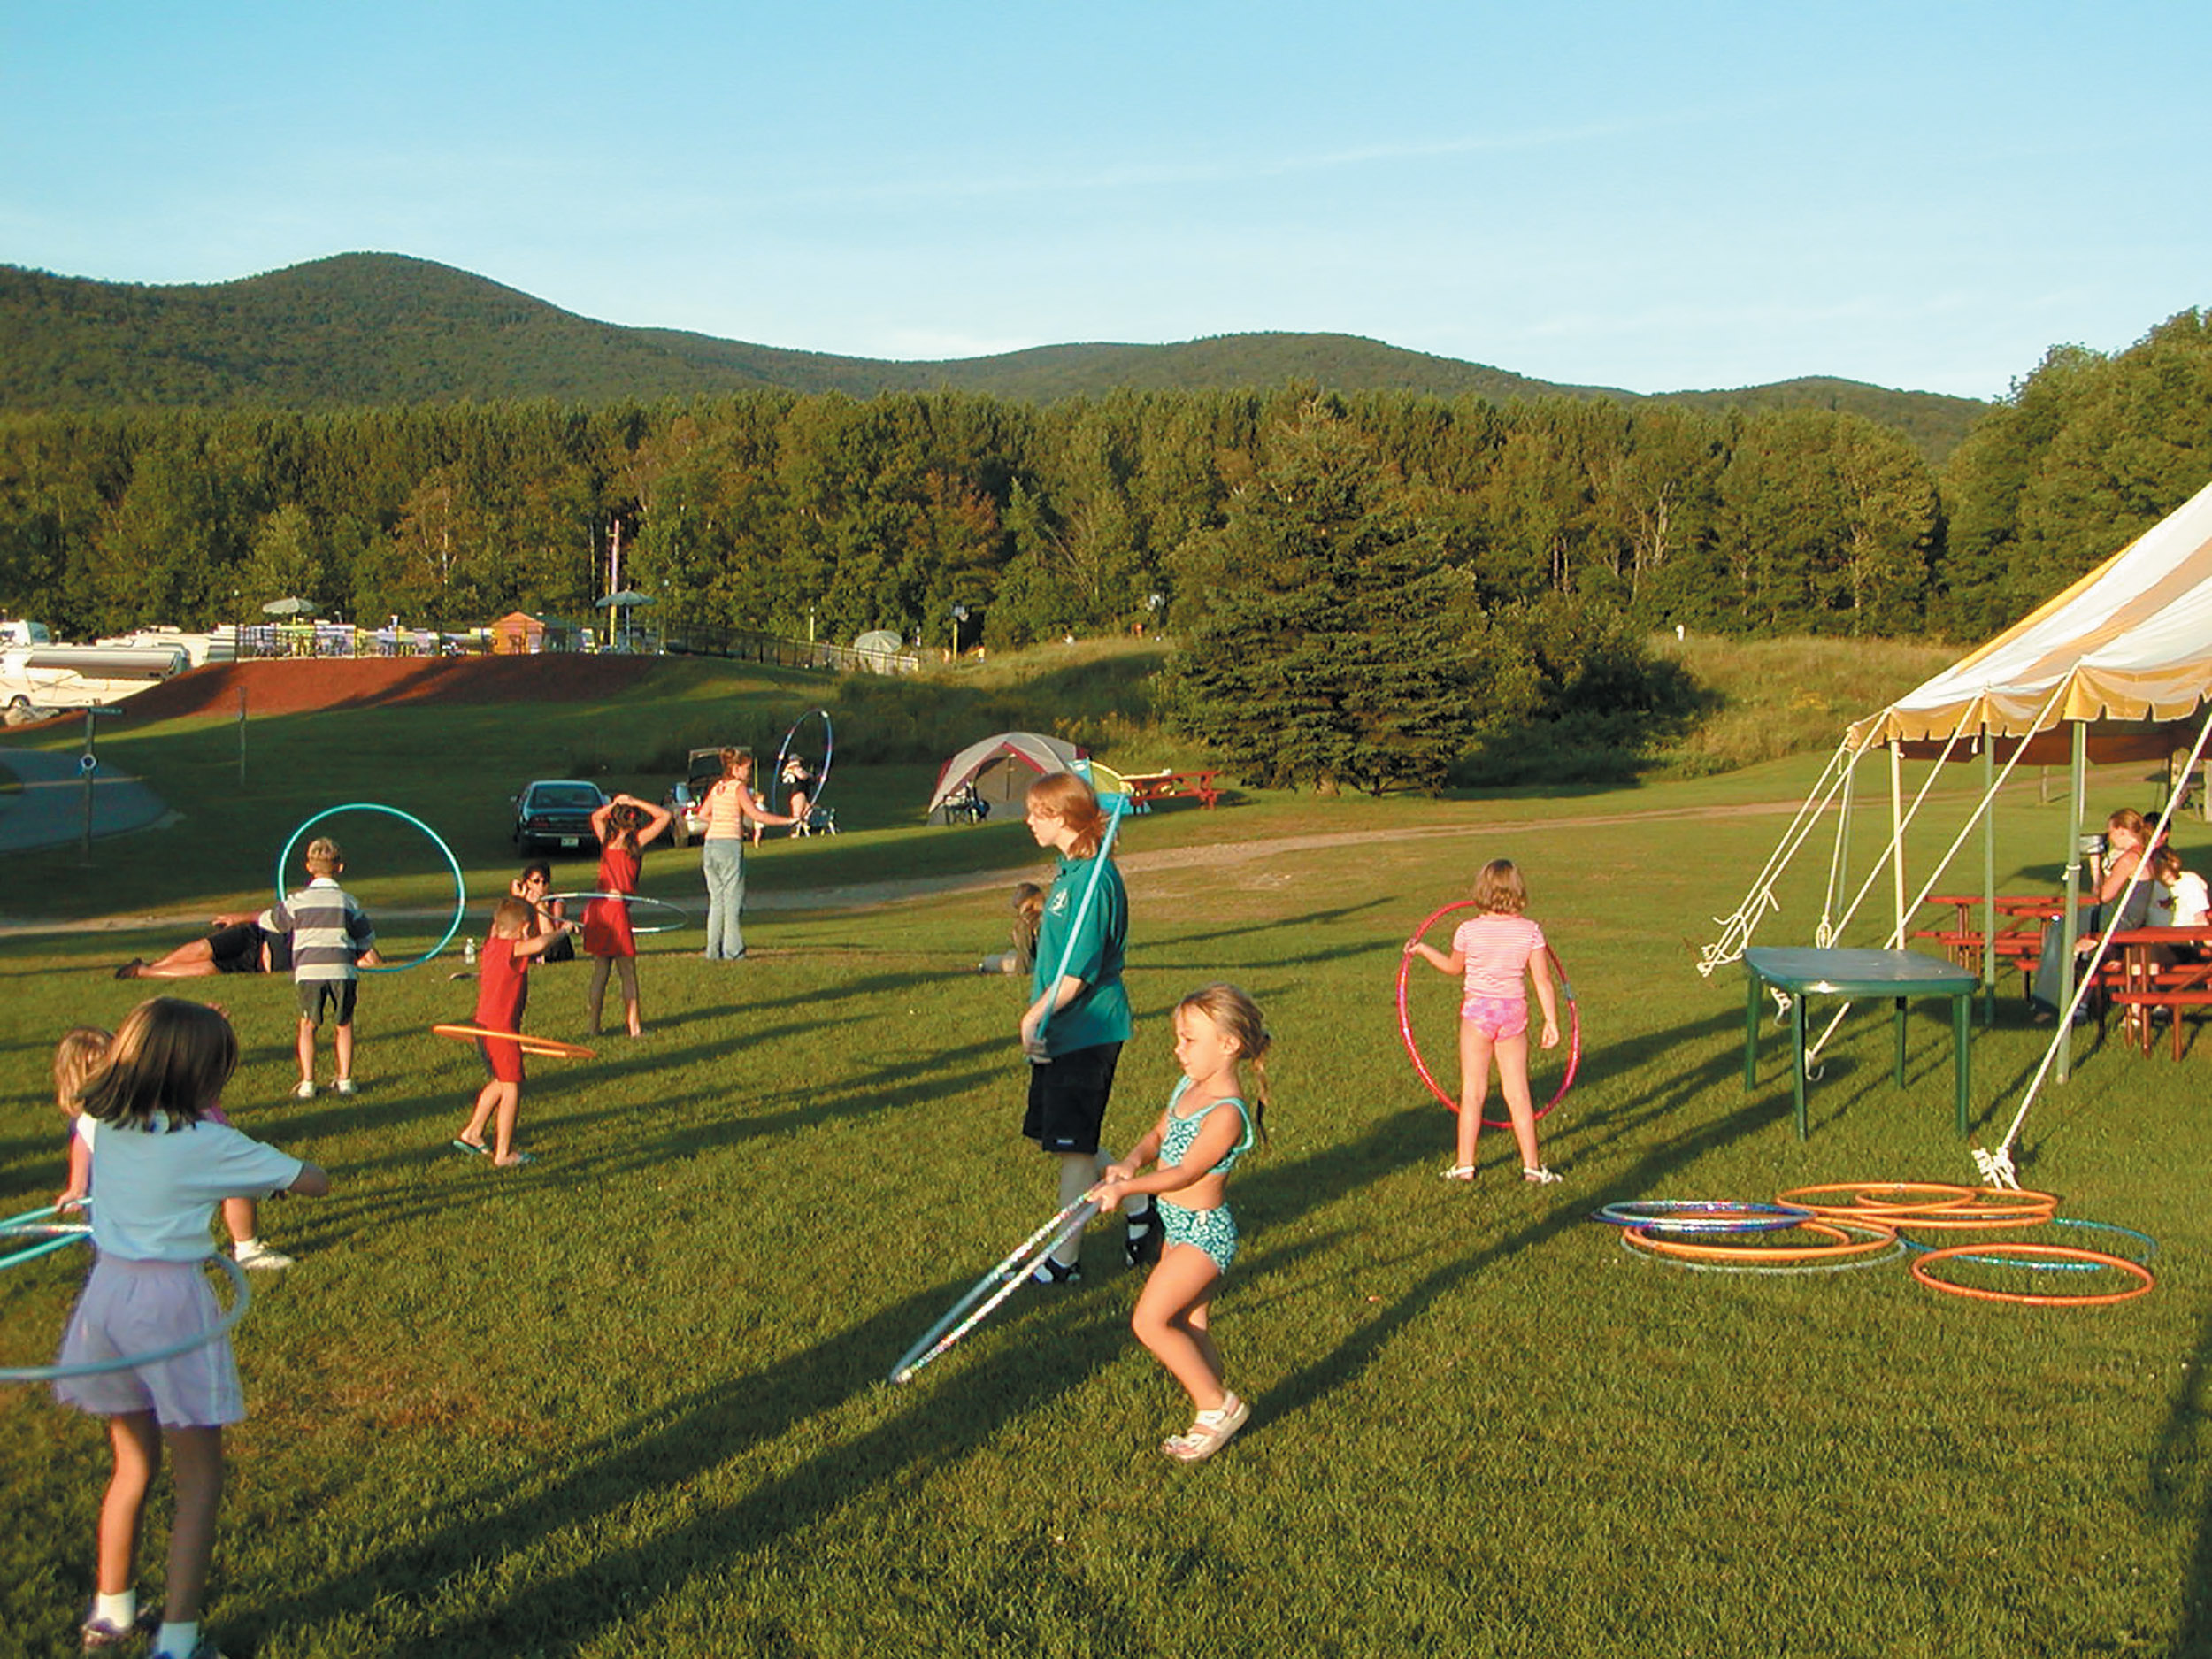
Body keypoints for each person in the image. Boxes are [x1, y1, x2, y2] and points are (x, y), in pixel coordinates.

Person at [52, 997, 329, 1659]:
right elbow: (314, 1180)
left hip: (107, 1298)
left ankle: (111, 1613)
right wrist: (279, 1175)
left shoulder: (104, 1120)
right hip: (169, 1305)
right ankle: (177, 1642)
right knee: (200, 1478)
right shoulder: (212, 1141)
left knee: (133, 1463)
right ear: (203, 1078)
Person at [1090, 983, 1269, 1463]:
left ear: (1229, 1045)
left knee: (1149, 1321)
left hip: (1205, 1235)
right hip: (1178, 1227)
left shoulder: (1227, 1113)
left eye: (1190, 1039)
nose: (1178, 1049)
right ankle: (1212, 1409)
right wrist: (1129, 1162)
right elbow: (1157, 1134)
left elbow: (1187, 1171)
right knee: (1190, 1322)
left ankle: (1218, 1406)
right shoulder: (1189, 1088)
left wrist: (1126, 1190)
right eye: (1178, 1037)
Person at [1018, 772, 1150, 1280]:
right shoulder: (1071, 872)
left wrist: (1034, 1016)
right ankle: (1140, 1208)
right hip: (1062, 1025)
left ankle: (1063, 1261)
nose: (1029, 821)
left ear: (1063, 816)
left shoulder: (1098, 879)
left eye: (1038, 813)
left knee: (1073, 1150)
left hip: (1088, 1027)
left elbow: (1078, 973)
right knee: (1068, 1136)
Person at [56, 1028, 293, 1271]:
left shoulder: (136, 1103)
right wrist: (77, 1187)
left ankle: (247, 1248)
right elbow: (83, 1143)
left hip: (155, 1184)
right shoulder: (93, 1119)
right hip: (122, 1197)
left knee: (235, 1183)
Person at [1405, 858, 1563, 1183]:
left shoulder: (1468, 930)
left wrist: (1422, 950)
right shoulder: (1530, 931)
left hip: (1477, 1012)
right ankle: (1532, 1168)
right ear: (1518, 889)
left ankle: (1464, 1166)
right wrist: (1551, 1021)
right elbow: (1543, 980)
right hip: (1513, 1013)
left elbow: (1452, 967)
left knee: (1473, 1091)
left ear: (1481, 890)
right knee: (1518, 1093)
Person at [453, 897, 580, 1166]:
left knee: (500, 1081)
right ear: (524, 929)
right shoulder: (512, 949)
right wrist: (564, 929)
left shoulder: (491, 945)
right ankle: (504, 1153)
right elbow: (541, 944)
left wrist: (520, 902)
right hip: (501, 1031)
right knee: (512, 1088)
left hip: (483, 1027)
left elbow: (501, 924)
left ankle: (472, 1133)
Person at [266, 836, 380, 1098]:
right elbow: (366, 937)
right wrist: (357, 953)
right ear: (339, 867)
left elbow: (275, 923)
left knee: (308, 1024)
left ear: (308, 866)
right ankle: (346, 1080)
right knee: (345, 1023)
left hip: (309, 972)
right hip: (342, 971)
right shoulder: (348, 902)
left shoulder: (298, 901)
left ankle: (307, 1083)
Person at [2031, 809, 2154, 1024]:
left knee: (2059, 929)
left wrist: (2095, 870)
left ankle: (2048, 1002)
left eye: (2111, 833)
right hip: (2127, 917)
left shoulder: (2129, 859)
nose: (2110, 839)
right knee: (2066, 932)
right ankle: (2070, 993)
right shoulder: (2144, 855)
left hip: (2118, 918)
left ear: (2122, 831)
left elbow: (2103, 896)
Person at [581, 793, 672, 1036]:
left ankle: (593, 1027)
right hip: (615, 910)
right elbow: (665, 816)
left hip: (599, 909)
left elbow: (596, 816)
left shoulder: (606, 840)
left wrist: (616, 804)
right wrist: (635, 801)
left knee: (600, 970)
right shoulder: (636, 842)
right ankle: (634, 1027)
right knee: (627, 971)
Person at [698, 749, 795, 961]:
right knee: (733, 900)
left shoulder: (718, 788)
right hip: (729, 846)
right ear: (735, 768)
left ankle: (713, 952)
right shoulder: (738, 788)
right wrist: (787, 821)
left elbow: (703, 814)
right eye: (746, 768)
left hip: (710, 845)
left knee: (717, 901)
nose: (749, 773)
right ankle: (733, 951)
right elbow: (756, 814)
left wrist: (726, 821)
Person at [113, 912, 292, 981]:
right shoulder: (306, 900)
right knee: (202, 949)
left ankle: (144, 972)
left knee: (209, 968)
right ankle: (154, 965)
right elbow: (278, 912)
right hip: (258, 934)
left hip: (260, 963)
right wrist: (242, 917)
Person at [977, 882, 1045, 975]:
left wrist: (1020, 971)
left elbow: (1025, 953)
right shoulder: (1054, 911)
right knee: (1010, 954)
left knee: (992, 961)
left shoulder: (1027, 921)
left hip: (1040, 964)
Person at [757, 753, 813, 846]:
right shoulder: (794, 768)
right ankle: (794, 833)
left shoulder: (790, 769)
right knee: (797, 814)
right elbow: (802, 776)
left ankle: (803, 829)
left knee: (808, 810)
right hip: (797, 793)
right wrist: (809, 775)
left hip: (797, 793)